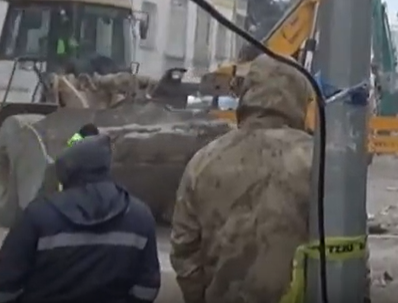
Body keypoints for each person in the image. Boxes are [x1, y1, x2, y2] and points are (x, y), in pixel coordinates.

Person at [171, 55, 315, 303]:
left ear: (248, 93)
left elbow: (184, 249)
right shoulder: (319, 161)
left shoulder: (203, 161)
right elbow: (348, 248)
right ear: (299, 98)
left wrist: (198, 297)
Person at [0, 134, 160, 303]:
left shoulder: (37, 216)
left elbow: (5, 286)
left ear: (65, 172)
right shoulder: (140, 216)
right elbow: (147, 289)